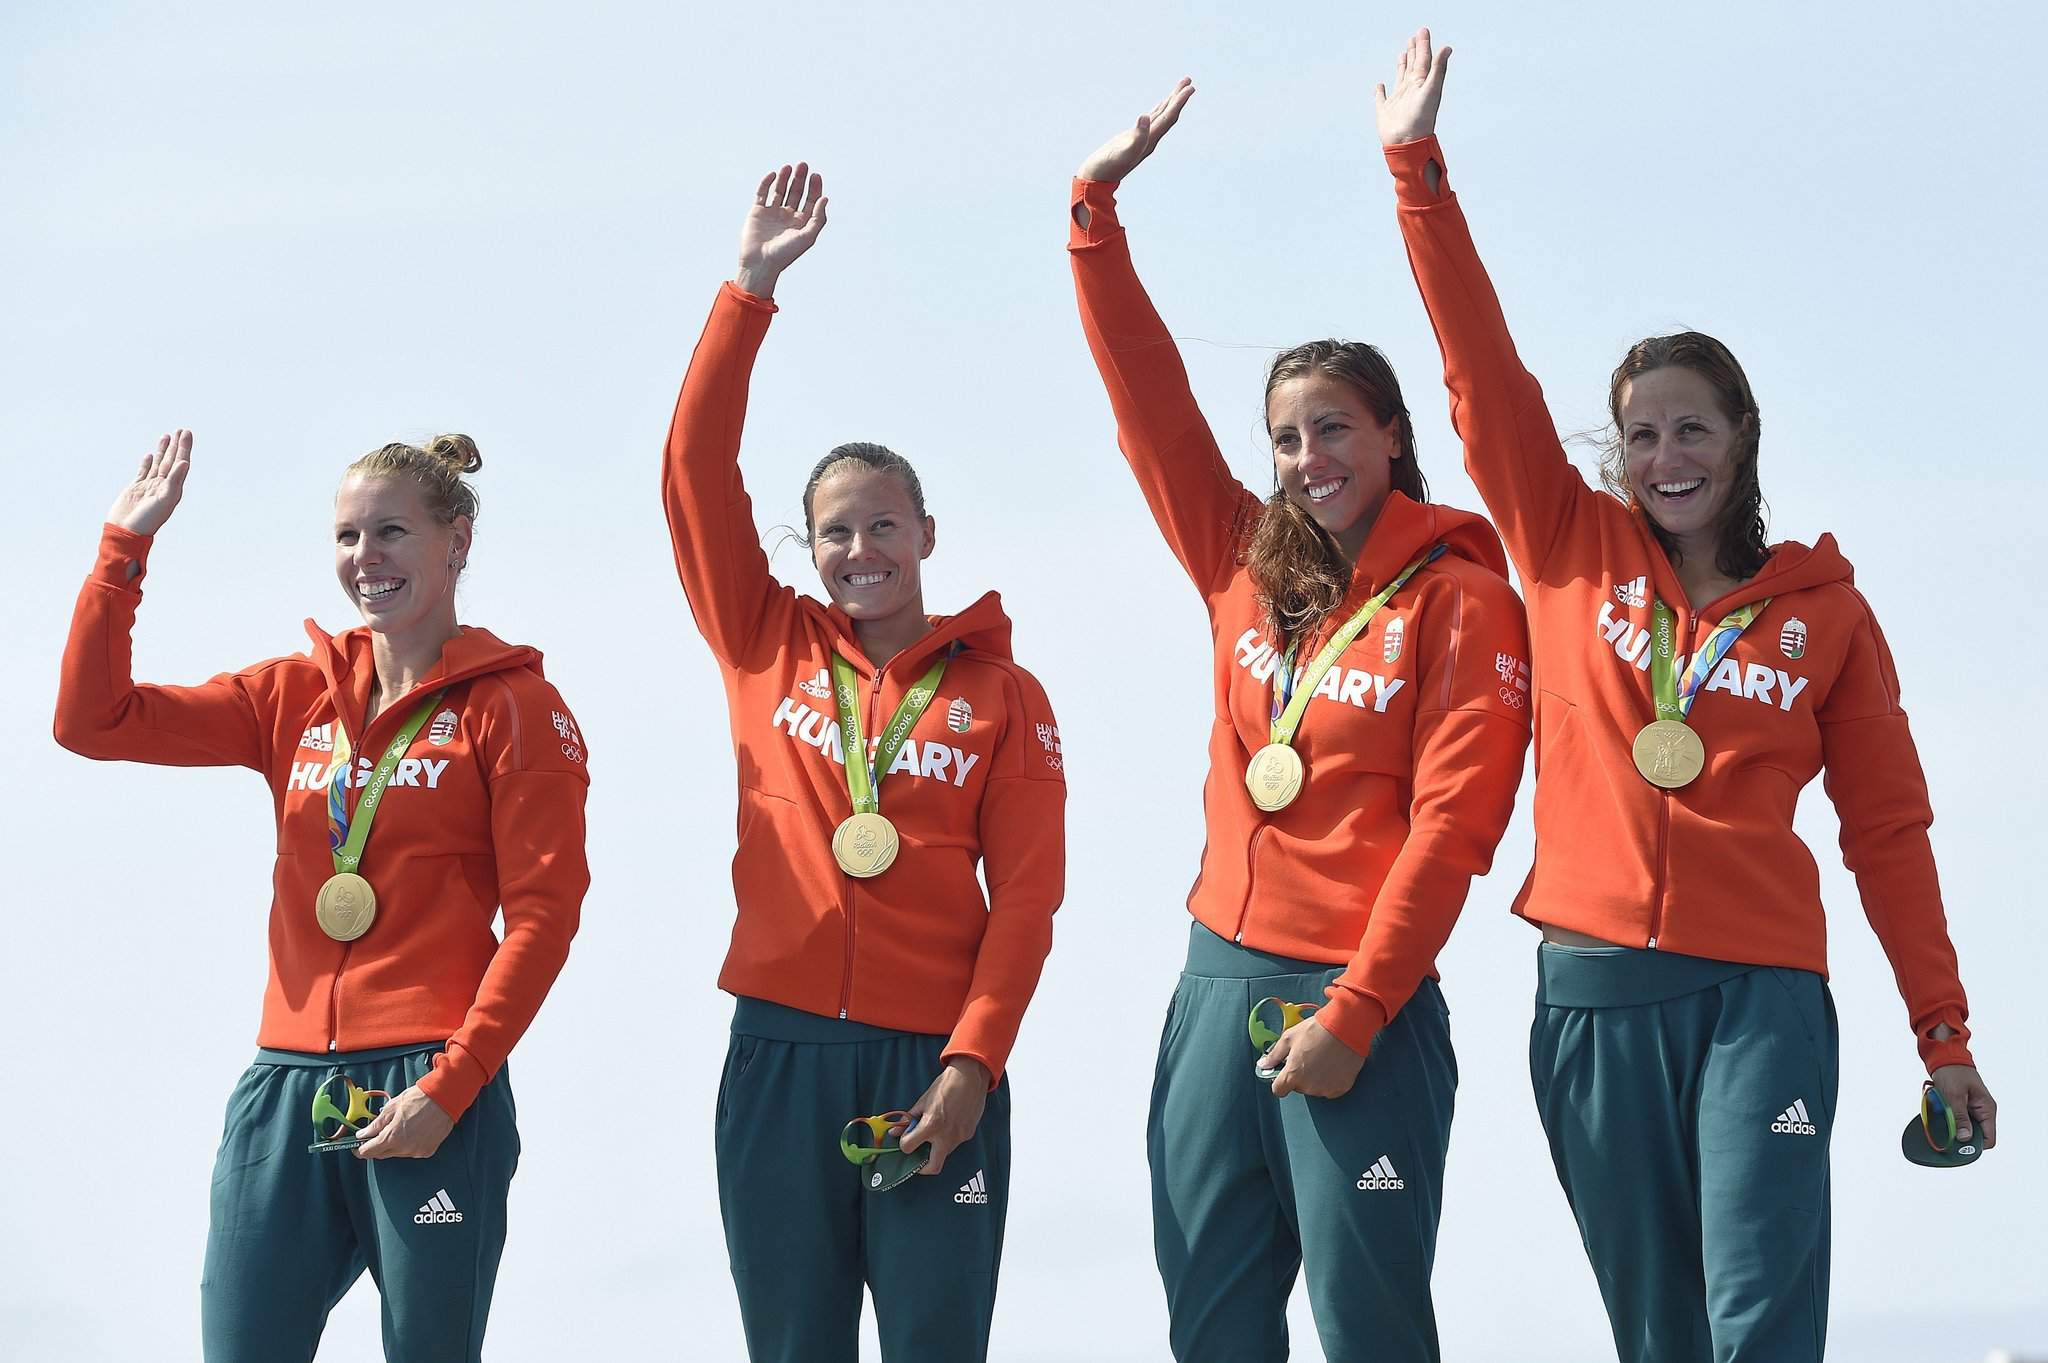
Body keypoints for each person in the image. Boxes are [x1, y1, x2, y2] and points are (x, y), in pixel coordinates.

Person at [1375, 29, 1999, 1362]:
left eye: (1692, 427)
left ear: (1740, 437)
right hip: (1592, 992)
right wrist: (1416, 173)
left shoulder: (1827, 613)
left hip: (1762, 992)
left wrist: (1941, 1031)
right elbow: (1482, 376)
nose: (1667, 454)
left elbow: (1889, 834)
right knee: (1660, 1331)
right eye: (1642, 432)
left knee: (1758, 1309)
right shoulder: (1565, 544)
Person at [1070, 82, 1533, 1363]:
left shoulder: (1460, 598)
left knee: (1368, 1330)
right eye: (1282, 437)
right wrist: (1093, 215)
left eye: (1331, 426)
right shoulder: (1238, 560)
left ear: (1390, 434)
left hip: (1357, 995)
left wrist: (1358, 1009)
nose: (1305, 455)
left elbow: (1453, 830)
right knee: (1211, 1328)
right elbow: (1148, 407)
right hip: (1212, 986)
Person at [54, 430, 591, 1361]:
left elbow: (543, 918)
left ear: (457, 540)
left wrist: (451, 1084)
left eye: (391, 532)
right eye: (347, 536)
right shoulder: (293, 694)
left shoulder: (514, 706)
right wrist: (122, 550)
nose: (365, 557)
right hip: (284, 1083)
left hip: (430, 1082)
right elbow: (93, 721)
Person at [662, 163, 1067, 1363]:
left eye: (883, 523)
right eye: (834, 531)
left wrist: (972, 1062)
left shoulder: (1001, 694)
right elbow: (692, 473)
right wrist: (747, 292)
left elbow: (1027, 901)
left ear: (926, 533)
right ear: (810, 548)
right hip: (778, 1053)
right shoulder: (762, 640)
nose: (859, 549)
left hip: (929, 1059)